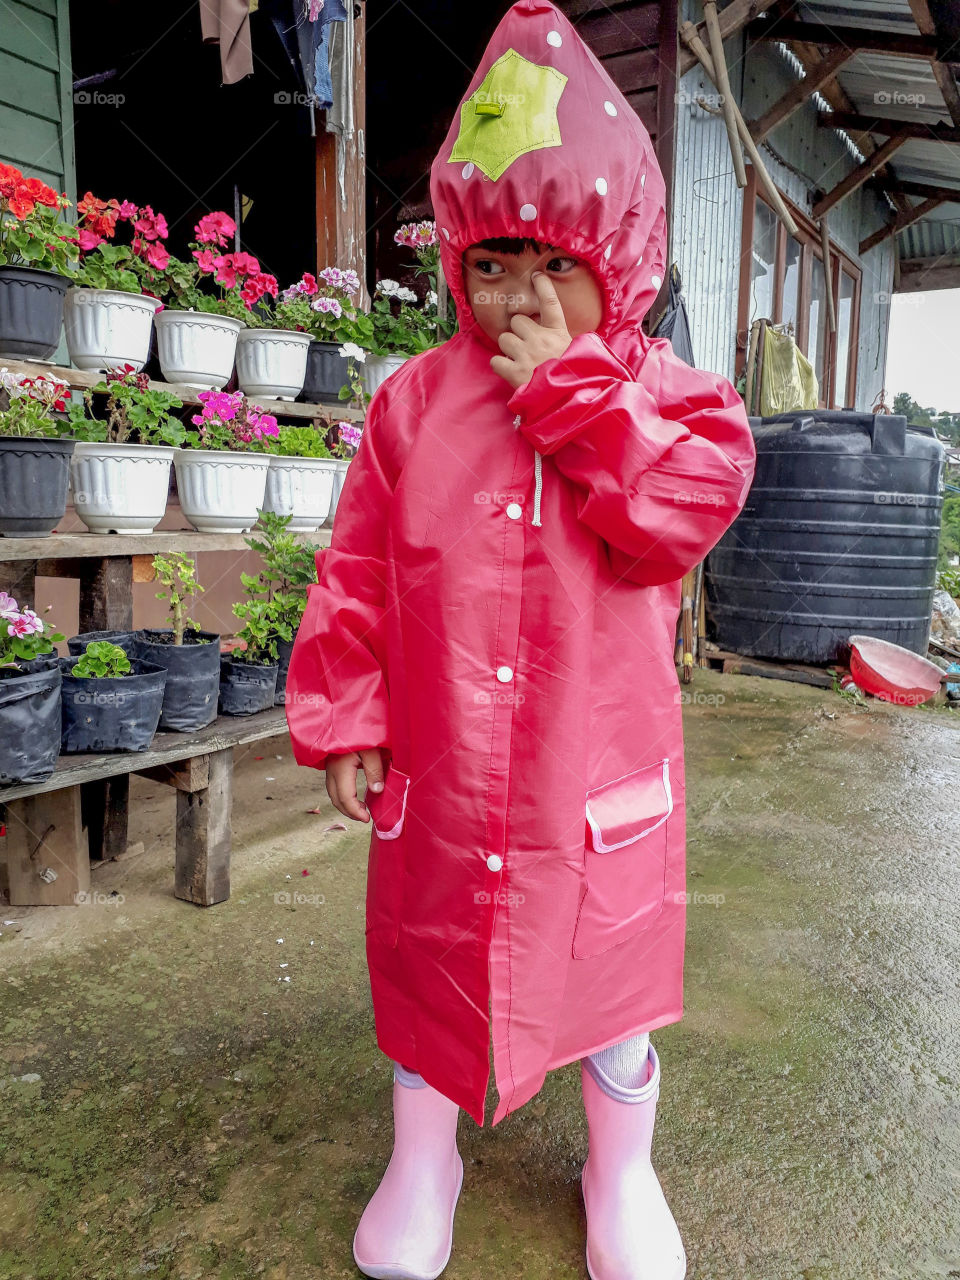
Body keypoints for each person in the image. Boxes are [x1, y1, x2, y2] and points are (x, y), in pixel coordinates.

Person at [284, 3, 757, 1277]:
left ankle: (621, 1165)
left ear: (624, 258)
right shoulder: (413, 403)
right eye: (492, 264)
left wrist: (569, 393)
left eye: (558, 265)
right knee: (434, 958)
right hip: (442, 766)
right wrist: (346, 712)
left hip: (591, 774)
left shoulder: (673, 403)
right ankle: (421, 1151)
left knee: (610, 975)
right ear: (453, 263)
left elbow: (678, 513)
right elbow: (359, 567)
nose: (521, 299)